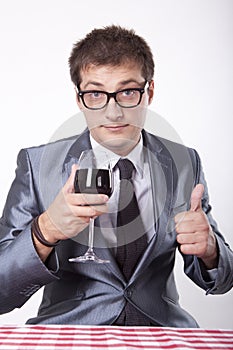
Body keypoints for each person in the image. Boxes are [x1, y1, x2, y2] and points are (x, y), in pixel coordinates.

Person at [0, 25, 232, 327]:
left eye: (127, 92)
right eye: (96, 93)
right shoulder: (37, 164)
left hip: (161, 333)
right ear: (80, 99)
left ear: (148, 91)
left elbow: (225, 280)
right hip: (71, 334)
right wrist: (44, 231)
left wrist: (210, 249)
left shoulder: (184, 162)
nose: (113, 112)